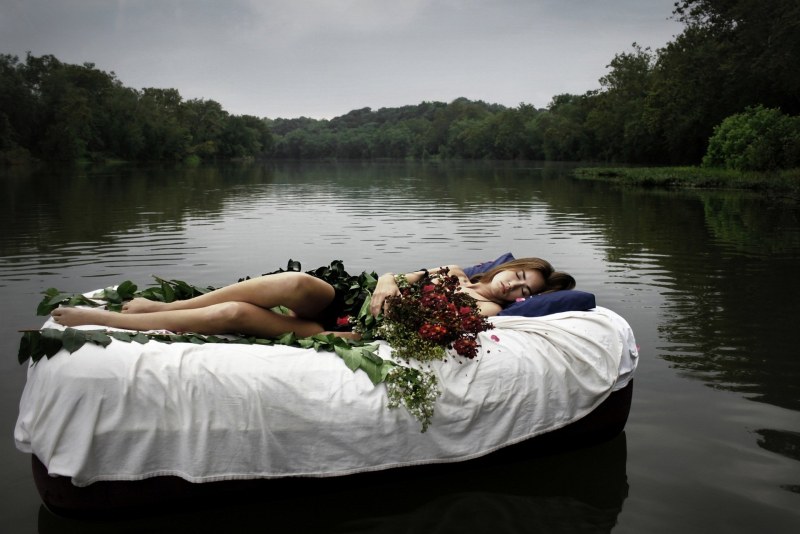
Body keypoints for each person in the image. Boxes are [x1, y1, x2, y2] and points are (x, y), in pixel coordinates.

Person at [50, 258, 575, 338]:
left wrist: (388, 308)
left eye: (526, 291)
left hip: (358, 332)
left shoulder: (486, 309)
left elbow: (428, 326)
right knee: (296, 282)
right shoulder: (457, 270)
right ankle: (163, 308)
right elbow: (395, 277)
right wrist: (388, 286)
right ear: (510, 266)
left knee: (235, 316)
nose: (516, 287)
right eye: (520, 275)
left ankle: (102, 320)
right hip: (353, 297)